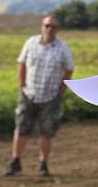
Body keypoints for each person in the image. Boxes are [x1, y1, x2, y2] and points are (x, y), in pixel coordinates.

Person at [4, 15, 74, 177]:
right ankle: (16, 161)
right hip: (29, 93)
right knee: (21, 128)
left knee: (47, 132)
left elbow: (69, 70)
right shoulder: (30, 43)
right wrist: (21, 85)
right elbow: (21, 64)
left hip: (51, 96)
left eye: (53, 27)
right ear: (42, 27)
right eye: (47, 26)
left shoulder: (63, 48)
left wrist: (61, 92)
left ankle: (43, 164)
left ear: (57, 30)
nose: (49, 29)